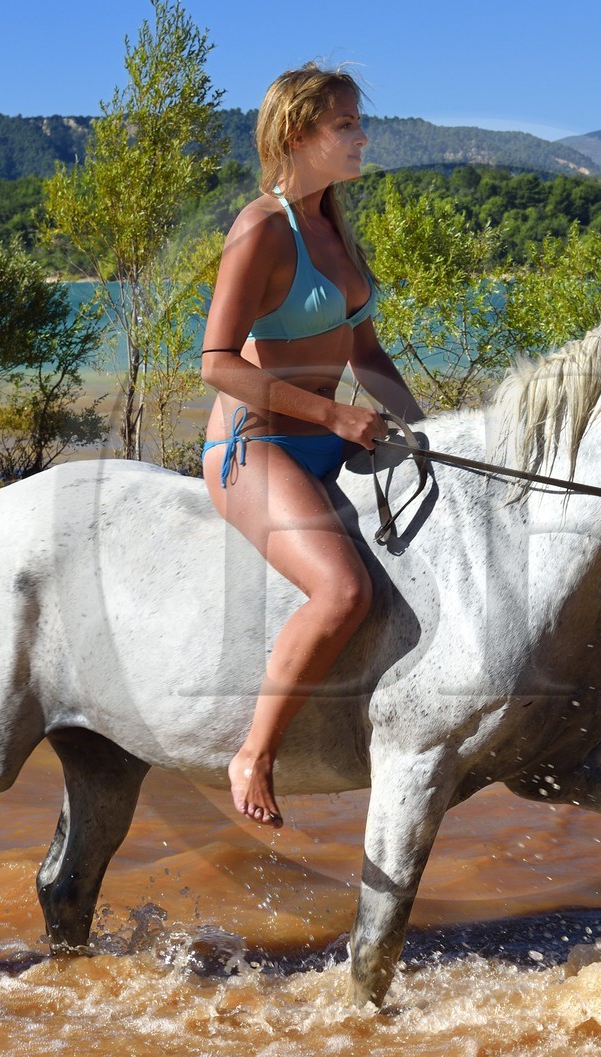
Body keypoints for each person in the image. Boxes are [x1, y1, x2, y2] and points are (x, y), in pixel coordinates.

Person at [200, 64, 423, 828]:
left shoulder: (335, 227)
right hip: (255, 445)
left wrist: (422, 432)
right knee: (344, 592)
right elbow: (216, 362)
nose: (363, 136)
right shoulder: (263, 226)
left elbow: (368, 355)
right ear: (297, 135)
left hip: (329, 439)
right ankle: (254, 753)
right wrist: (331, 420)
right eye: (346, 125)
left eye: (360, 122)